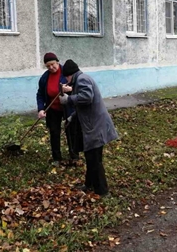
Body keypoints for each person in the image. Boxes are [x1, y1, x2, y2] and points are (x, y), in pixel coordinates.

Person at [59, 60, 118, 196]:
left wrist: (69, 99)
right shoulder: (81, 79)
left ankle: (103, 192)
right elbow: (85, 105)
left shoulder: (82, 79)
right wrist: (73, 116)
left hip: (95, 125)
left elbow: (87, 98)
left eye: (66, 78)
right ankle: (89, 184)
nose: (66, 81)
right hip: (92, 123)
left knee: (95, 159)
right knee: (90, 156)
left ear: (69, 75)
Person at [36, 53, 78, 165]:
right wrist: (40, 109)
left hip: (68, 107)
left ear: (57, 62)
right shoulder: (45, 77)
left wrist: (70, 89)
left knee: (71, 131)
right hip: (53, 108)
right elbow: (40, 94)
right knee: (54, 132)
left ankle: (74, 156)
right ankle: (57, 158)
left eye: (53, 64)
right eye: (48, 66)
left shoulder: (67, 72)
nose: (51, 67)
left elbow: (79, 87)